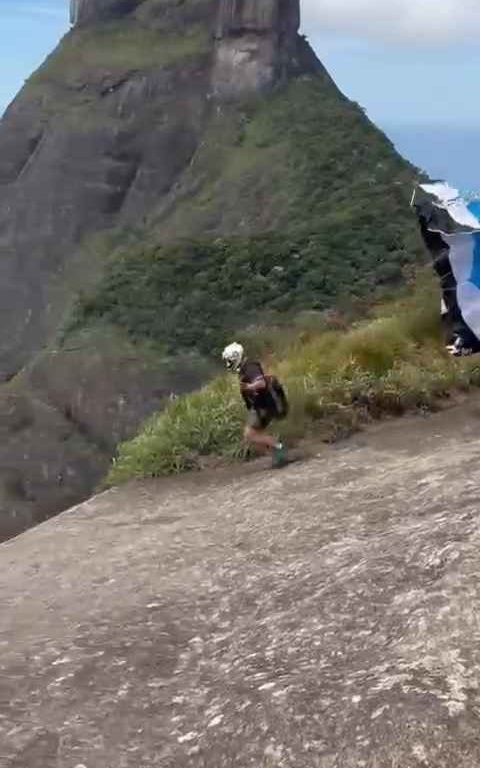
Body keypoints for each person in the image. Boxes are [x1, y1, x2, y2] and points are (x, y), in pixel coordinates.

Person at [222, 342, 289, 468]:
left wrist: (249, 387)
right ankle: (278, 457)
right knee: (253, 437)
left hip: (264, 406)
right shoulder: (245, 369)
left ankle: (279, 447)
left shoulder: (249, 367)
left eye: (229, 361)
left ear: (236, 357)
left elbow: (261, 383)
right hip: (260, 407)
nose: (228, 364)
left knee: (249, 434)